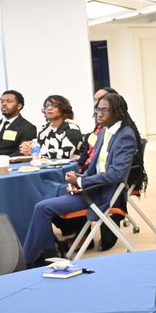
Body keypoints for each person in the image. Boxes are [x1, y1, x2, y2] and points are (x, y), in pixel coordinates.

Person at [21, 93, 139, 266]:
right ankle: (49, 253)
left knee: (42, 207)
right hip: (90, 187)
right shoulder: (104, 132)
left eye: (104, 110)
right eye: (97, 109)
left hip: (103, 194)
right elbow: (96, 169)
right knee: (39, 191)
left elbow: (116, 174)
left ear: (118, 112)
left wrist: (82, 183)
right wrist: (78, 179)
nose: (99, 113)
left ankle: (27, 261)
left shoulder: (125, 135)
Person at [19, 94, 85, 161]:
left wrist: (34, 152)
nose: (49, 108)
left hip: (67, 168)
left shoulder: (72, 128)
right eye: (47, 106)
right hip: (46, 166)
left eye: (54, 105)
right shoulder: (44, 130)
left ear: (64, 108)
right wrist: (28, 147)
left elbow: (65, 154)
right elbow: (38, 149)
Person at [80, 86, 118, 170]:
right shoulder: (98, 128)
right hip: (90, 169)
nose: (96, 104)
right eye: (95, 100)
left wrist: (81, 179)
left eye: (101, 99)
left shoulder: (118, 131)